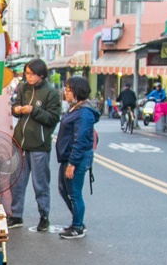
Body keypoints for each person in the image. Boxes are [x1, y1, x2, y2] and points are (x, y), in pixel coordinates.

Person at [8, 58, 62, 231]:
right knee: (16, 182)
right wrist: (16, 109)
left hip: (39, 144)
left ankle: (44, 216)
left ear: (41, 74)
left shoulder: (50, 92)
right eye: (27, 74)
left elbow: (53, 118)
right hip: (20, 143)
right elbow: (15, 106)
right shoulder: (23, 88)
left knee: (40, 183)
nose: (28, 77)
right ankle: (16, 216)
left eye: (31, 74)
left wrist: (34, 110)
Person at [54, 75, 100, 240]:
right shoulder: (74, 108)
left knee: (74, 193)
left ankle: (78, 226)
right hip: (68, 156)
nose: (66, 93)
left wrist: (72, 163)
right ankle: (77, 221)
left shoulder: (84, 113)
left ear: (77, 92)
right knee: (63, 189)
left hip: (76, 158)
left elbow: (80, 140)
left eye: (68, 90)